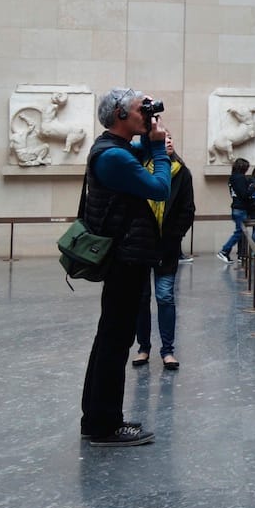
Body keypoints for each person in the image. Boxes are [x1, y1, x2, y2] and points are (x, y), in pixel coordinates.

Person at [79, 87, 171, 447]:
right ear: (120, 114)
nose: (145, 114)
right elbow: (159, 187)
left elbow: (140, 151)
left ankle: (97, 419)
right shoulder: (113, 157)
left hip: (125, 257)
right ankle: (104, 425)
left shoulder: (112, 149)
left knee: (111, 339)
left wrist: (153, 141)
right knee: (116, 341)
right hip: (124, 259)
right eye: (139, 109)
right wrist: (161, 152)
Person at [133, 132, 194, 371]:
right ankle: (143, 347)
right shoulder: (140, 170)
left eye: (170, 138)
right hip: (140, 244)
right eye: (163, 138)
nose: (167, 141)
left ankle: (167, 350)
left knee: (165, 296)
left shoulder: (182, 173)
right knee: (141, 298)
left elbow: (187, 210)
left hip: (166, 247)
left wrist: (173, 236)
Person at [217, 157, 250, 262]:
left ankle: (238, 254)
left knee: (240, 232)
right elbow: (244, 194)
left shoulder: (233, 178)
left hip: (236, 207)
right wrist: (253, 188)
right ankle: (224, 251)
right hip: (240, 208)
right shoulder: (240, 178)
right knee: (239, 232)